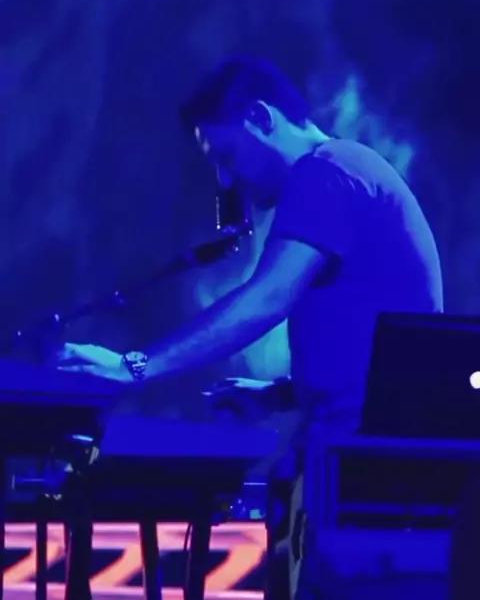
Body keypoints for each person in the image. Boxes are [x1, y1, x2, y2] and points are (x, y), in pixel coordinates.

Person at [57, 56, 444, 598]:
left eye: (228, 155)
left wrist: (133, 367)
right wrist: (279, 394)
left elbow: (268, 299)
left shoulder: (328, 171)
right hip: (361, 460)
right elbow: (376, 353)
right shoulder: (351, 171)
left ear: (262, 117)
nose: (224, 179)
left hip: (364, 471)